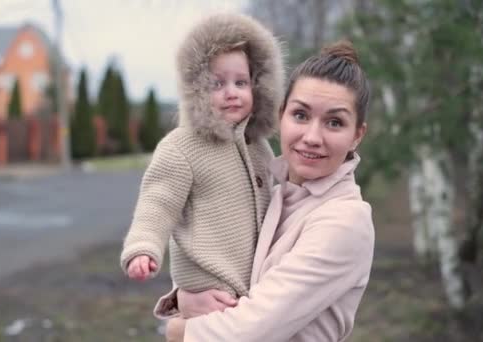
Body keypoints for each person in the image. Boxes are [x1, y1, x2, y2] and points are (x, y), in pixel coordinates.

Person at [160, 40, 375, 342]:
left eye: (334, 122)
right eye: (301, 115)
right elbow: (225, 270)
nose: (312, 137)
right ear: (281, 115)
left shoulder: (345, 221)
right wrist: (184, 298)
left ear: (357, 135)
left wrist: (175, 330)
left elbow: (250, 331)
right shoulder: (272, 197)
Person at [120, 13, 284, 300]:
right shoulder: (182, 147)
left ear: (257, 86)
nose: (231, 93)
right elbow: (158, 203)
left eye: (241, 83)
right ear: (196, 89)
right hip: (209, 288)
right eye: (217, 84)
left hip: (254, 289)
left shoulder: (259, 146)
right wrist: (143, 246)